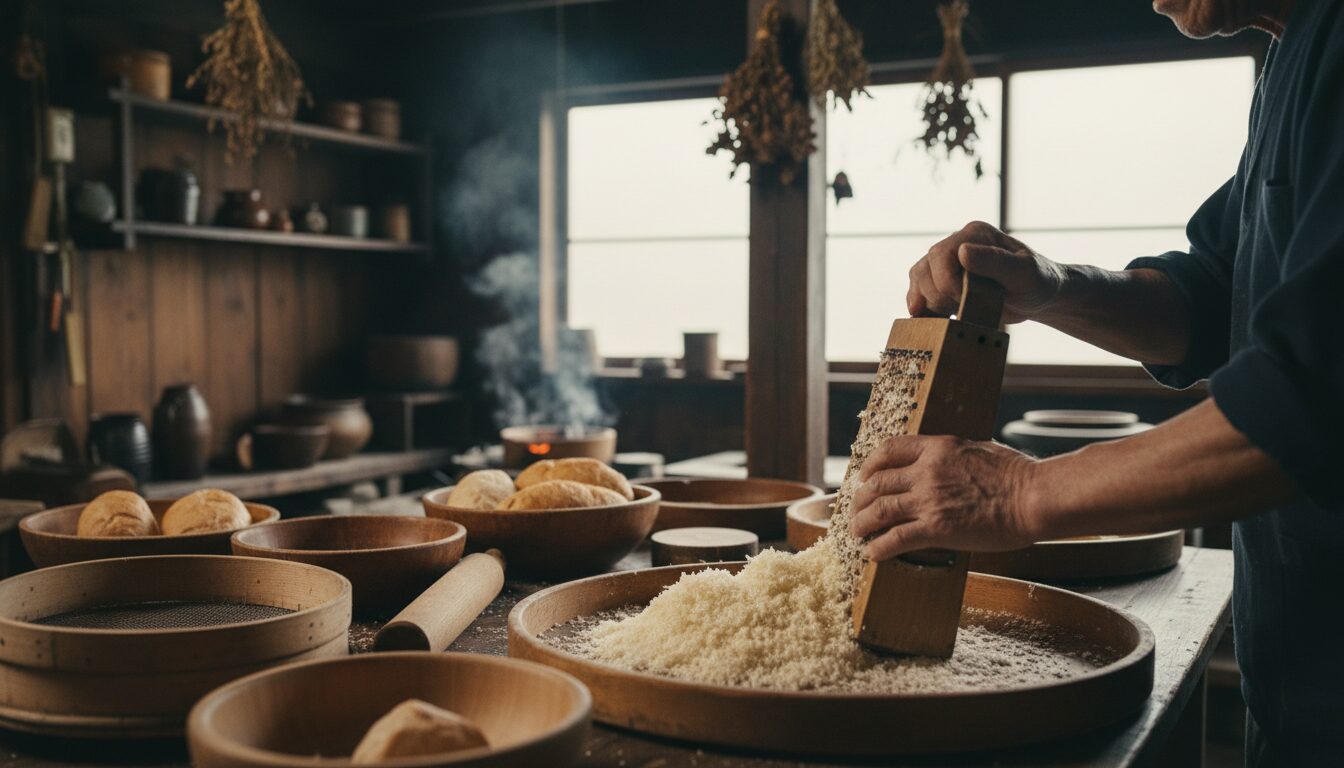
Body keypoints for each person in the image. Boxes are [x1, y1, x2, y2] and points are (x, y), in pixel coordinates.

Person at [851, 0, 1343, 764]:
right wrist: (1049, 287)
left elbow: (1310, 400)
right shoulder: (1292, 55)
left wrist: (1015, 494)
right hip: (1295, 681)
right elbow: (1213, 295)